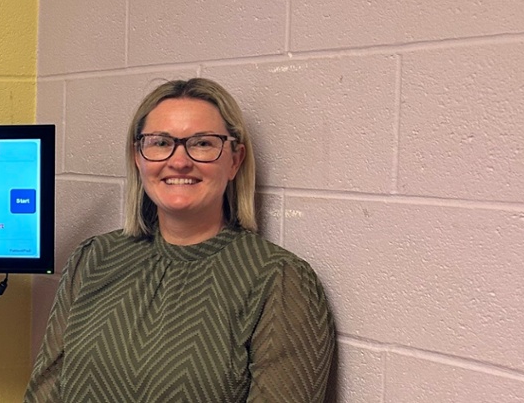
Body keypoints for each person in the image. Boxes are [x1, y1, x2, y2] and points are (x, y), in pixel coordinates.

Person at [25, 78, 334, 403]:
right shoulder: (94, 258)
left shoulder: (278, 281)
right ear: (138, 157)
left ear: (235, 160)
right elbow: (44, 393)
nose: (179, 160)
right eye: (160, 142)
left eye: (202, 143)